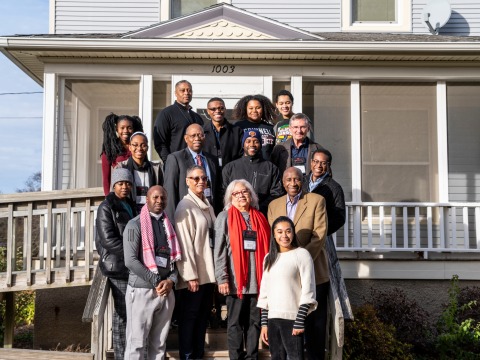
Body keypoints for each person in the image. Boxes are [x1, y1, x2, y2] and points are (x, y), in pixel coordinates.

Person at [267, 167, 328, 360]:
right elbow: (274, 238)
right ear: (283, 183)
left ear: (303, 181)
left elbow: (319, 236)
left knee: (313, 328)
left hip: (313, 272)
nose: (293, 183)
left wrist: (299, 261)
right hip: (285, 279)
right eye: (288, 179)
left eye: (297, 179)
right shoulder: (273, 205)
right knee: (289, 331)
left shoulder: (316, 201)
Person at [214, 179, 270, 360]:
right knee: (235, 323)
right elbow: (219, 250)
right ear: (230, 197)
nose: (241, 195)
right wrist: (222, 278)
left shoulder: (260, 217)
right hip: (235, 282)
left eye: (245, 192)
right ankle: (236, 357)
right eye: (236, 193)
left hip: (258, 282)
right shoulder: (224, 217)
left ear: (251, 195)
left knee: (254, 323)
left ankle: (252, 356)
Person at [123, 185, 181, 360]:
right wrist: (156, 280)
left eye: (162, 198)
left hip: (165, 291)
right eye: (155, 197)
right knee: (137, 344)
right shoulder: (134, 225)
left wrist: (171, 281)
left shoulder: (169, 225)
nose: (159, 201)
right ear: (147, 199)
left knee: (159, 345)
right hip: (142, 291)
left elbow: (175, 260)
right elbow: (130, 261)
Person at [258, 216, 317, 360]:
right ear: (274, 234)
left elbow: (308, 290)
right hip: (272, 320)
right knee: (276, 357)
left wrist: (300, 321)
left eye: (288, 231)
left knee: (295, 357)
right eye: (279, 232)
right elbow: (265, 293)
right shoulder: (268, 258)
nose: (284, 235)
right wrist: (264, 323)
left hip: (292, 320)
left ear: (293, 233)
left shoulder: (302, 254)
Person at [174, 165, 217, 360]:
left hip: (207, 274)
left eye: (204, 178)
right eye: (196, 178)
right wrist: (190, 275)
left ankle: (198, 355)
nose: (201, 182)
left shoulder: (207, 204)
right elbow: (183, 244)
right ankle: (188, 356)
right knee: (189, 319)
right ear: (187, 181)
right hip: (194, 276)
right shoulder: (184, 207)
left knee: (201, 319)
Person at [95, 168, 137, 360]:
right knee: (122, 314)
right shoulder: (106, 206)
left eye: (128, 183)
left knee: (132, 313)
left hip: (131, 267)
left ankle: (131, 353)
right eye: (120, 183)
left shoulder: (131, 205)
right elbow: (108, 240)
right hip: (117, 267)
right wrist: (131, 255)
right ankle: (121, 356)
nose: (124, 187)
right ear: (113, 185)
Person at [163, 123, 220, 219]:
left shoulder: (212, 159)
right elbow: (170, 191)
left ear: (204, 137)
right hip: (186, 215)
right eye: (193, 136)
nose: (197, 138)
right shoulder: (175, 158)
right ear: (186, 138)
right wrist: (171, 221)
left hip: (209, 212)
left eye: (200, 135)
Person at [222, 129, 283, 216]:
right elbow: (224, 193)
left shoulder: (271, 168)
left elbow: (276, 194)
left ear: (261, 145)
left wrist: (257, 207)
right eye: (248, 141)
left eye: (256, 141)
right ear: (243, 144)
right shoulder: (230, 168)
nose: (252, 144)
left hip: (262, 215)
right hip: (236, 215)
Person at [153, 80, 204, 162]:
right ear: (176, 93)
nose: (186, 93)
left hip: (197, 164)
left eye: (189, 90)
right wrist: (169, 162)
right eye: (182, 90)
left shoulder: (197, 117)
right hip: (177, 163)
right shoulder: (166, 114)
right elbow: (160, 143)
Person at [116, 132, 164, 212]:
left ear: (147, 148)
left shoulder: (156, 169)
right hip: (128, 211)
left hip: (150, 211)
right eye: (135, 145)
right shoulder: (121, 168)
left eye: (143, 145)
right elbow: (114, 193)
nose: (139, 148)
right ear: (130, 147)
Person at [100, 113, 143, 195]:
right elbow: (106, 178)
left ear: (133, 129)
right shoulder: (110, 149)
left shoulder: (138, 147)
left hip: (139, 192)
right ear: (116, 129)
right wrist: (108, 197)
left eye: (129, 128)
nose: (125, 131)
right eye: (122, 128)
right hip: (120, 193)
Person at [305, 149, 346, 236]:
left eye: (323, 163)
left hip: (320, 238)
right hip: (300, 234)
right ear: (311, 162)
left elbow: (339, 218)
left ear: (329, 165)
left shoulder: (334, 187)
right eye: (316, 161)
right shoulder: (301, 181)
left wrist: (321, 231)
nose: (318, 166)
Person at [270, 113, 324, 177]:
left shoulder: (318, 149)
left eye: (303, 127)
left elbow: (326, 174)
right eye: (295, 127)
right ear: (290, 129)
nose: (299, 131)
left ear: (308, 128)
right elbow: (273, 174)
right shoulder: (279, 149)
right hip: (286, 186)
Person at [202, 97, 243, 168]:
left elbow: (242, 153)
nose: (217, 111)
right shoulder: (202, 131)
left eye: (221, 108)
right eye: (213, 109)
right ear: (208, 111)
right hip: (208, 172)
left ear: (225, 109)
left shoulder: (237, 131)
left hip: (231, 172)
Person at [233, 94, 276, 159]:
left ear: (263, 109)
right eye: (251, 108)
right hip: (244, 167)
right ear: (245, 109)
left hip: (266, 167)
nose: (254, 111)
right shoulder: (238, 126)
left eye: (258, 108)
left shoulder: (270, 128)